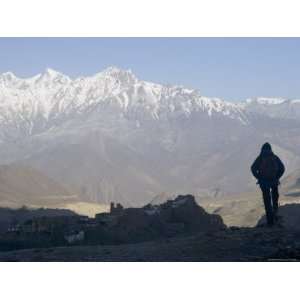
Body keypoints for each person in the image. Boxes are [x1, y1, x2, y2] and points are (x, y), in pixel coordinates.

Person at [251, 143, 285, 226]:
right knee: (275, 198)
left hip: (264, 182)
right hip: (274, 181)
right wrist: (277, 177)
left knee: (267, 201)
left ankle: (270, 221)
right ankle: (275, 214)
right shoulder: (274, 157)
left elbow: (253, 168)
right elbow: (282, 168)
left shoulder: (260, 158)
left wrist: (259, 177)